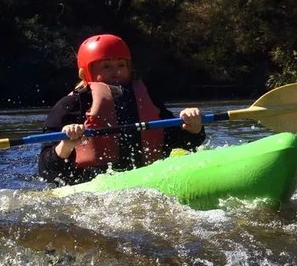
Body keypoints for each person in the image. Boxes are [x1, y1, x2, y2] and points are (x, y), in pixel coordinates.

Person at [38, 34, 206, 185]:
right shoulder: (71, 105)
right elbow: (46, 171)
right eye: (106, 67)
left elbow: (179, 142)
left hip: (147, 176)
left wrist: (194, 128)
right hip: (90, 183)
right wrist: (66, 145)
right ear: (85, 73)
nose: (116, 72)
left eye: (121, 65)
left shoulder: (145, 97)